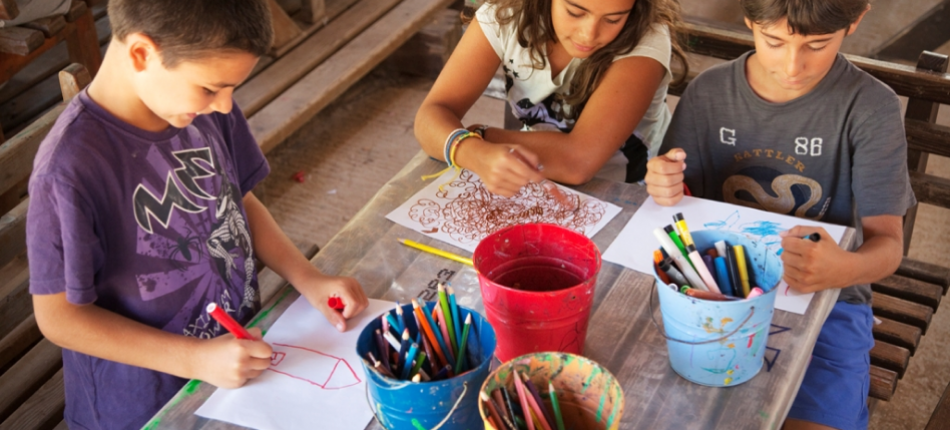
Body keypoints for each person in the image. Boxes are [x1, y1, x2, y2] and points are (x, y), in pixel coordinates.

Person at [26, 1, 369, 428]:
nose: (226, 106)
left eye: (231, 90)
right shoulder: (69, 169)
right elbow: (59, 318)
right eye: (212, 89)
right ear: (141, 54)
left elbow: (238, 200)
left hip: (237, 367)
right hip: (146, 407)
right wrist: (194, 359)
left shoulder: (201, 108)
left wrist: (308, 278)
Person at [645, 1, 914, 429]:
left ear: (855, 20)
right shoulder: (710, 92)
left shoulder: (870, 108)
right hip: (710, 288)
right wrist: (665, 184)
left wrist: (844, 267)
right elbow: (680, 197)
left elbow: (888, 247)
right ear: (750, 20)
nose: (793, 65)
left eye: (818, 44)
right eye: (774, 41)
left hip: (828, 300)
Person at [414, 0, 688, 196]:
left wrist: (479, 136)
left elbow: (578, 162)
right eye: (575, 11)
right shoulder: (505, 14)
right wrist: (472, 151)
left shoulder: (646, 40)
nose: (589, 34)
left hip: (631, 193)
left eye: (613, 19)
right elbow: (431, 116)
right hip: (536, 183)